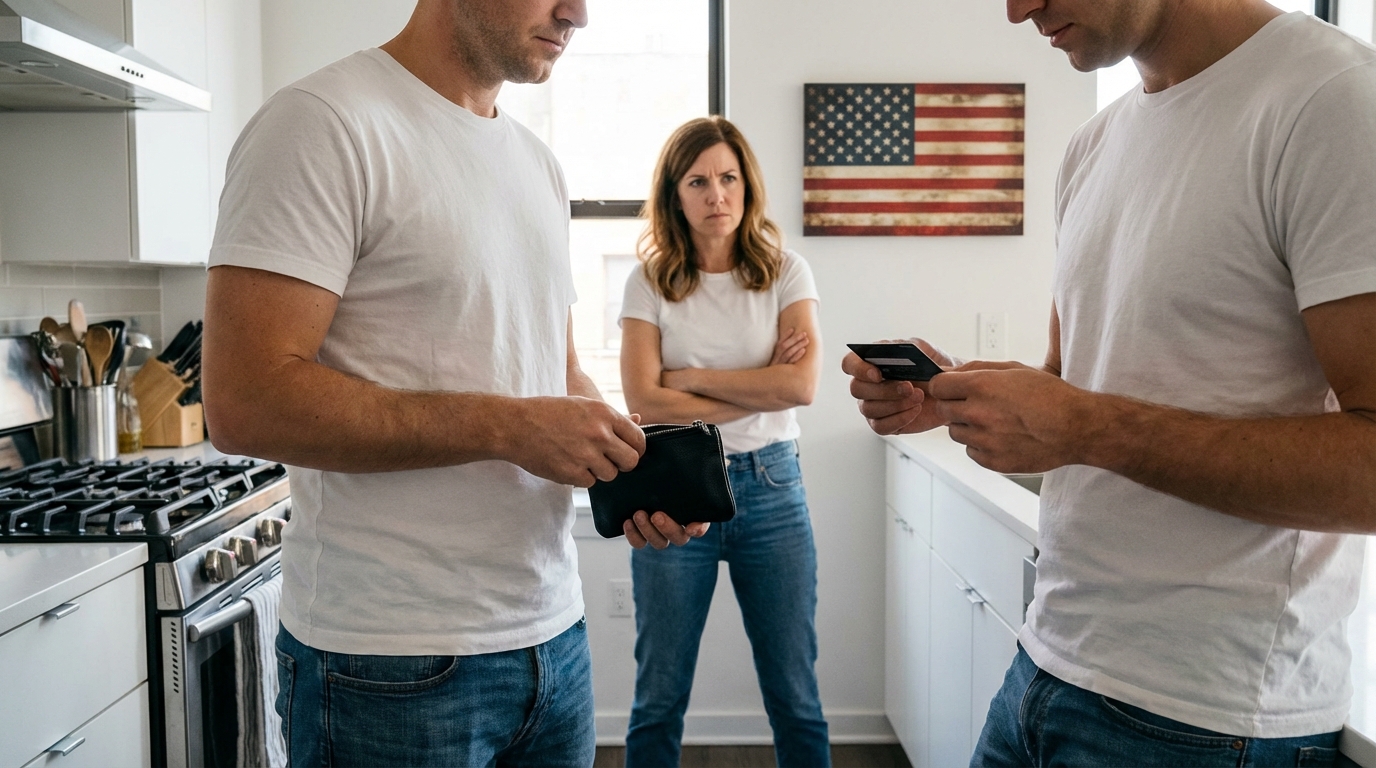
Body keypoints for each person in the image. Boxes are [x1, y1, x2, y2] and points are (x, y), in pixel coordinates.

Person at [843, 1, 1376, 766]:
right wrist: (956, 400)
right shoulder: (1093, 145)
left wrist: (1084, 425)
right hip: (1045, 669)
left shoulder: (1333, 102)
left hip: (1206, 722)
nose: (1017, 8)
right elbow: (1076, 386)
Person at [201, 1, 708, 765]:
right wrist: (504, 426)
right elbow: (244, 403)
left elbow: (556, 370)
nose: (578, 13)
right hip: (387, 664)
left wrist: (629, 470)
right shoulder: (321, 122)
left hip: (554, 641)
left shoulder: (537, 163)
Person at [618, 116, 830, 768]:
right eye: (700, 180)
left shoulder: (787, 272)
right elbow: (644, 401)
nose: (718, 194)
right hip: (676, 491)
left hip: (773, 489)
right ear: (675, 195)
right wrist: (755, 383)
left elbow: (801, 386)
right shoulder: (648, 282)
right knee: (659, 695)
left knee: (795, 694)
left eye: (730, 178)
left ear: (748, 185)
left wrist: (695, 379)